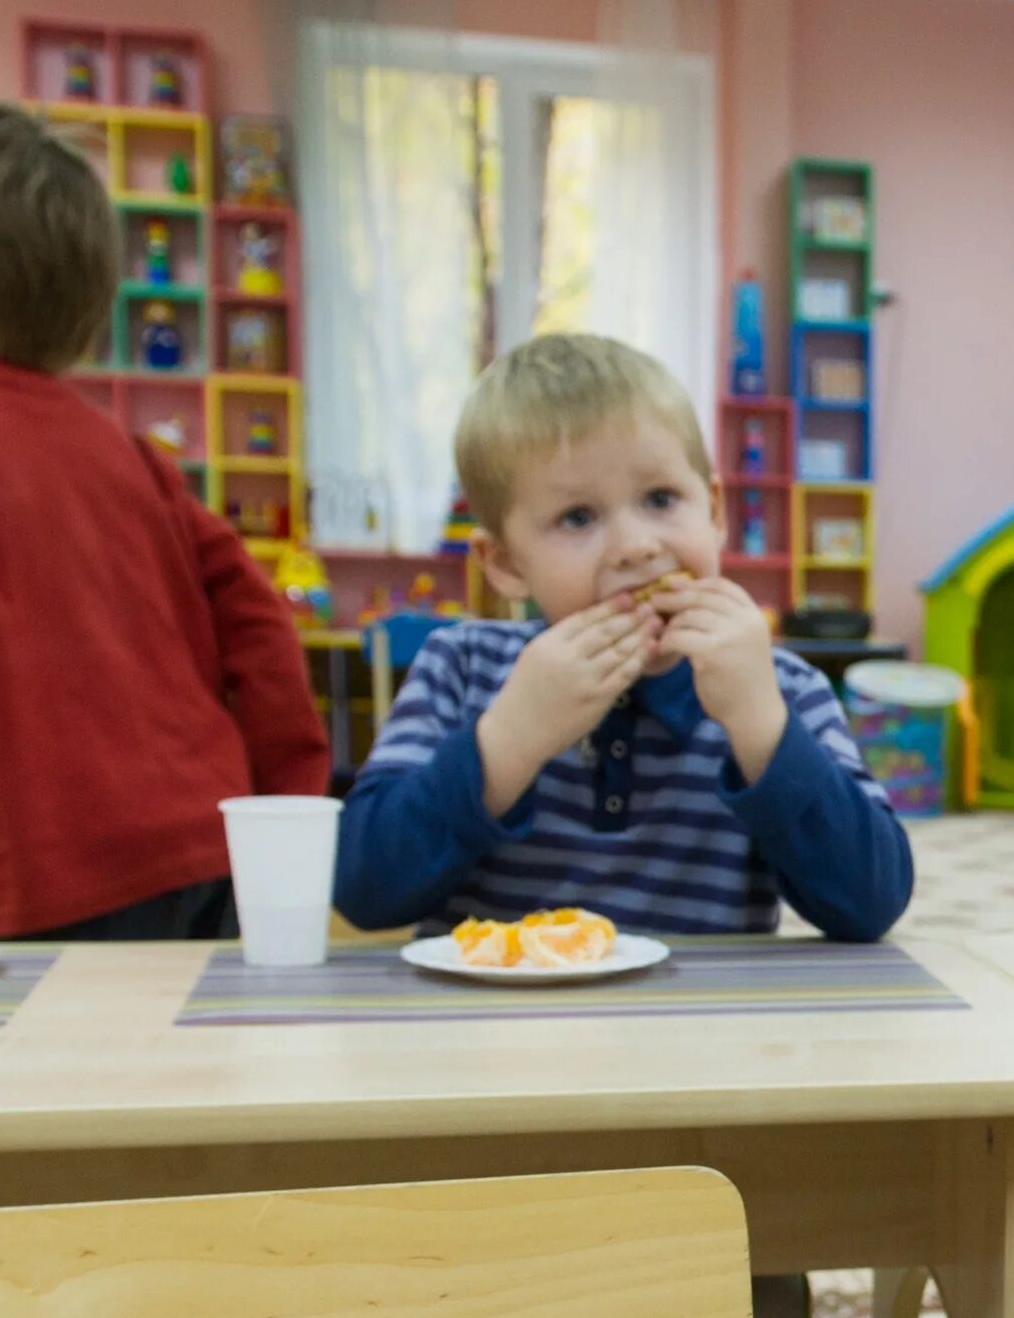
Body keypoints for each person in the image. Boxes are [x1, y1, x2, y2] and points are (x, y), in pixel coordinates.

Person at [0, 101, 327, 936]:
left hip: (47, 876)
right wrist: (285, 822)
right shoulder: (129, 454)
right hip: (208, 850)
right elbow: (260, 628)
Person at [332, 333, 911, 940]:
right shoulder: (460, 669)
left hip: (701, 1029)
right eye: (578, 517)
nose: (638, 546)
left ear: (714, 514)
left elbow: (870, 903)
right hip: (499, 1028)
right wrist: (512, 737)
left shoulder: (782, 687)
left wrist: (760, 724)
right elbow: (366, 892)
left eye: (661, 498)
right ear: (502, 560)